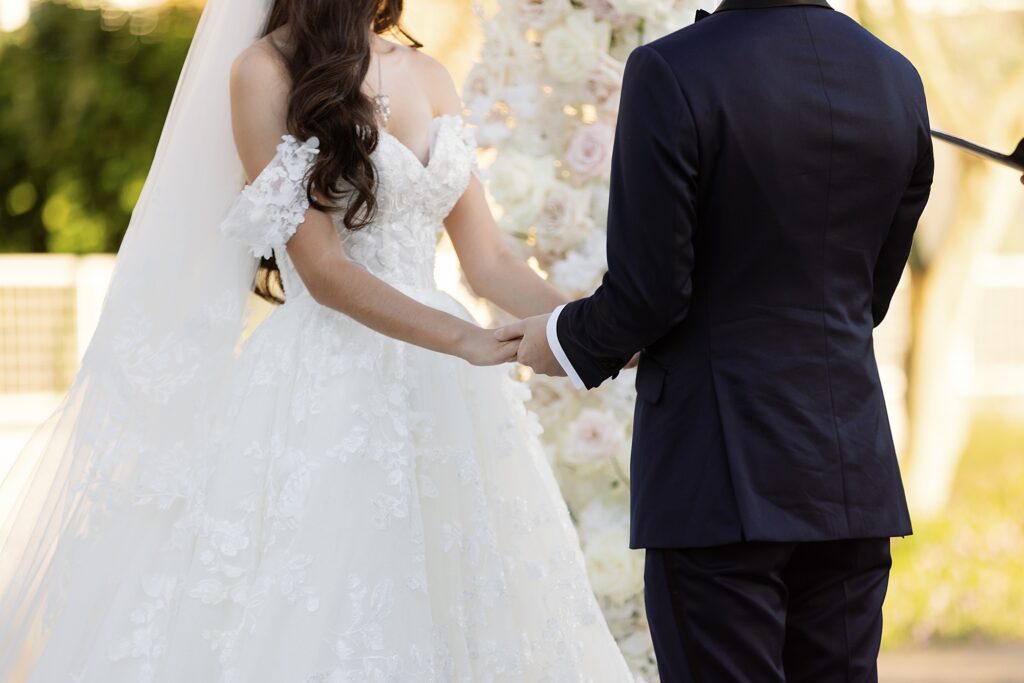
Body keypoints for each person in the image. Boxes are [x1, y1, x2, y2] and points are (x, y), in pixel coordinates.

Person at [0, 1, 633, 681]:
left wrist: (600, 326)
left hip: (447, 392)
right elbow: (325, 269)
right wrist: (465, 339)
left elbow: (490, 261)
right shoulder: (264, 72)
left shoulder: (429, 72)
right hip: (329, 383)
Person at [501, 1, 933, 681]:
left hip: (718, 479)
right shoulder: (896, 78)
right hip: (850, 480)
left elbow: (650, 293)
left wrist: (557, 338)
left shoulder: (673, 69)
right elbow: (865, 298)